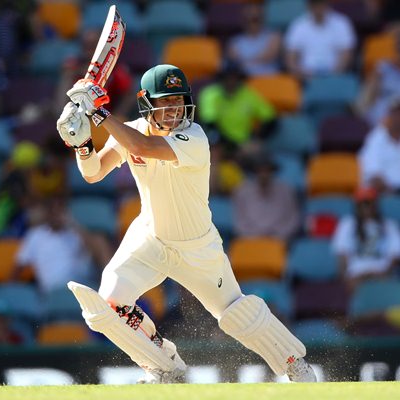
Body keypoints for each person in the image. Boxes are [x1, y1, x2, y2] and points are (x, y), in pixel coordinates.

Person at [55, 64, 316, 383]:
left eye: (177, 100)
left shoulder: (193, 137)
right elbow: (94, 173)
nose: (173, 109)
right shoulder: (131, 130)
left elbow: (143, 148)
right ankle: (163, 364)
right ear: (146, 102)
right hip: (150, 239)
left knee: (236, 315)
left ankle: (295, 364)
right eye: (164, 101)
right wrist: (83, 146)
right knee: (107, 306)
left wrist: (99, 114)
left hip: (198, 247)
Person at [13, 196, 111, 294]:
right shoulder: (35, 235)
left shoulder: (74, 232)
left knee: (100, 240)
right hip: (51, 290)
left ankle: (112, 286)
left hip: (79, 284)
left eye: (59, 210)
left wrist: (73, 224)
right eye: (53, 211)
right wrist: (9, 290)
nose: (56, 215)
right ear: (47, 214)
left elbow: (97, 250)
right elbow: (19, 265)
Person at [330, 187, 400, 291]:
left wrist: (384, 274)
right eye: (362, 204)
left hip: (382, 273)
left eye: (369, 203)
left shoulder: (390, 225)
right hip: (356, 274)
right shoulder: (347, 224)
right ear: (357, 206)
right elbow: (342, 254)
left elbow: (397, 255)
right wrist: (346, 279)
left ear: (375, 205)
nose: (366, 207)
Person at [199, 62, 277, 152]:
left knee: (258, 154)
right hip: (218, 143)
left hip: (244, 144)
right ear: (221, 79)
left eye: (235, 78)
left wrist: (259, 139)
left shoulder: (248, 94)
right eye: (228, 78)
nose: (231, 82)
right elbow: (209, 126)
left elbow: (270, 118)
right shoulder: (210, 94)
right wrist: (235, 145)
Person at [232, 155, 300, 242]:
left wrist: (278, 235)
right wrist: (254, 235)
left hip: (280, 241)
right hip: (250, 241)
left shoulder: (286, 191)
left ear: (272, 171)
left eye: (267, 170)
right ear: (255, 172)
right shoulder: (242, 192)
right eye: (260, 171)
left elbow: (293, 219)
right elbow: (239, 222)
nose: (263, 174)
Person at [284, 0, 356, 79]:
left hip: (335, 76)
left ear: (327, 4)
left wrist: (334, 74)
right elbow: (291, 58)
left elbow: (346, 54)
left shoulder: (342, 23)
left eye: (321, 4)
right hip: (305, 77)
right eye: (315, 4)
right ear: (309, 6)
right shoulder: (298, 25)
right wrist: (300, 73)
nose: (318, 8)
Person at [227, 2, 281, 76]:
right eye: (250, 20)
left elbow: (269, 55)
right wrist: (254, 60)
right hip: (244, 81)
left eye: (256, 20)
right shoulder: (235, 41)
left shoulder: (274, 36)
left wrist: (245, 61)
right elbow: (234, 61)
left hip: (268, 80)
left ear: (262, 17)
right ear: (244, 19)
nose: (253, 24)